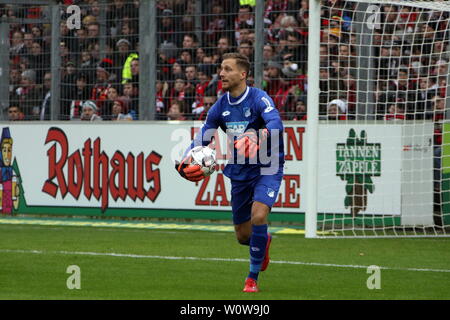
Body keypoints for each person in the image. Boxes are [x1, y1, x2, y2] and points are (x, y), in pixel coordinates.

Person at [174, 53, 284, 293]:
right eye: (220, 69)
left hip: (267, 167)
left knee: (258, 216)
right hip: (239, 171)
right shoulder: (220, 106)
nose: (221, 74)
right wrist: (185, 158)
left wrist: (258, 134)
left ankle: (251, 278)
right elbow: (204, 135)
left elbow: (276, 124)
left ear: (242, 74)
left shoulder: (259, 98)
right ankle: (263, 241)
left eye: (227, 69)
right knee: (243, 236)